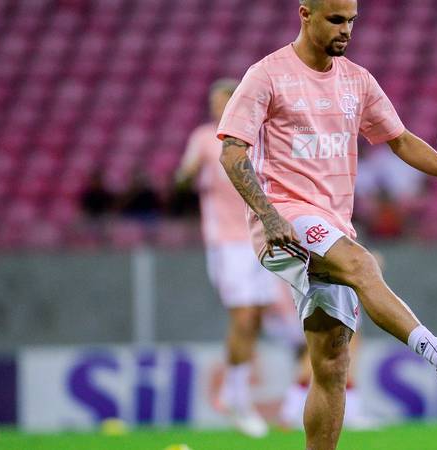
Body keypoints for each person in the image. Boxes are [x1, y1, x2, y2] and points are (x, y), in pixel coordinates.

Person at [216, 1, 437, 448]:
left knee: (332, 363)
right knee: (363, 266)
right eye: (336, 20)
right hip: (286, 218)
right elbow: (231, 151)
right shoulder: (265, 75)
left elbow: (399, 139)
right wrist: (269, 216)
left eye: (352, 21)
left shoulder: (357, 81)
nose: (347, 30)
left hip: (332, 225)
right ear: (305, 14)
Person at [177, 79, 283, 437]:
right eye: (213, 102)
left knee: (255, 318)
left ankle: (235, 390)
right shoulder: (206, 139)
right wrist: (187, 175)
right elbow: (179, 182)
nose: (216, 108)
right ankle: (237, 397)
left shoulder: (258, 137)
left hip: (261, 237)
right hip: (227, 242)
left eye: (222, 101)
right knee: (244, 314)